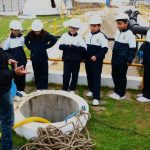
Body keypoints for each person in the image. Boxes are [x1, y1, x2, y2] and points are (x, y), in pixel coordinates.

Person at [0, 47, 27, 150]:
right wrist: (14, 73)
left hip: (4, 90)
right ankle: (7, 147)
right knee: (7, 121)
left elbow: (2, 52)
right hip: (2, 92)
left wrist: (8, 59)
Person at [109, 13, 136, 100]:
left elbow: (133, 48)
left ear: (126, 23)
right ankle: (116, 91)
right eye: (117, 24)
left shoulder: (130, 34)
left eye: (120, 23)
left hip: (123, 60)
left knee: (121, 76)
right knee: (114, 74)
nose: (118, 26)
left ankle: (121, 94)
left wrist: (129, 60)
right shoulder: (117, 32)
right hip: (115, 58)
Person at [25, 19, 57, 90]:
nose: (37, 32)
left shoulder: (45, 34)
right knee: (37, 73)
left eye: (38, 31)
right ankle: (38, 88)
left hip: (43, 57)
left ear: (41, 29)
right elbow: (25, 40)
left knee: (44, 73)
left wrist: (47, 46)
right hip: (34, 58)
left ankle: (45, 87)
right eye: (35, 31)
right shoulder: (30, 34)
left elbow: (54, 39)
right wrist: (30, 48)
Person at [56, 18, 87, 93]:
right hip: (67, 59)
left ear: (78, 29)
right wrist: (68, 46)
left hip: (76, 60)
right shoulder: (64, 36)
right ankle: (64, 88)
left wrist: (74, 47)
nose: (73, 29)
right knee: (66, 75)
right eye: (72, 27)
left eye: (75, 28)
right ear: (69, 27)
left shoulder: (79, 37)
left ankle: (72, 89)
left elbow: (84, 48)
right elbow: (59, 46)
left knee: (75, 75)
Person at [85, 15, 108, 106]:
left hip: (96, 61)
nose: (92, 27)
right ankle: (91, 90)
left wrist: (97, 56)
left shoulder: (102, 36)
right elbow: (85, 47)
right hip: (88, 60)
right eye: (91, 25)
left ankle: (96, 97)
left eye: (94, 26)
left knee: (96, 78)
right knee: (89, 76)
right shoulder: (87, 35)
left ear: (99, 26)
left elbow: (105, 49)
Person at [3, 20, 27, 95]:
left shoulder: (22, 38)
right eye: (15, 30)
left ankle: (22, 90)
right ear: (11, 30)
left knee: (23, 75)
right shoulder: (8, 41)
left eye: (18, 30)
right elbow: (5, 51)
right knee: (17, 77)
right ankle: (18, 91)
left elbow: (22, 47)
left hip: (22, 60)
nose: (17, 32)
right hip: (15, 63)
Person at [137, 30, 150, 102]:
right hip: (147, 56)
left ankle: (148, 96)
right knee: (146, 76)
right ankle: (145, 93)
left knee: (149, 76)